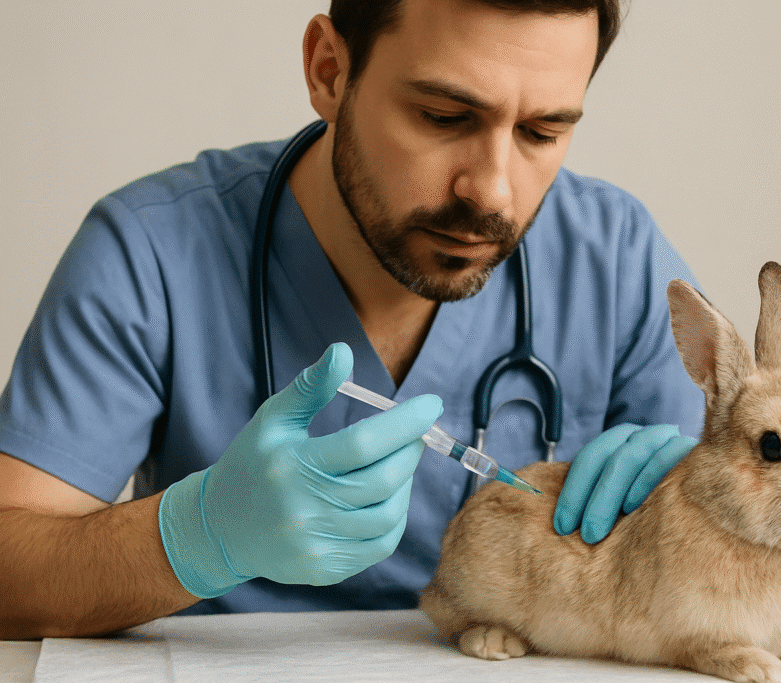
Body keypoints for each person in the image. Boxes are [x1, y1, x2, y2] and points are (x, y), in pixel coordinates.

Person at [0, 0, 704, 639]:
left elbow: (734, 522)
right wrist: (199, 534)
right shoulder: (149, 252)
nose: (491, 190)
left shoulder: (614, 259)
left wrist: (700, 508)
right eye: (444, 116)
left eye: (542, 130)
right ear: (330, 71)